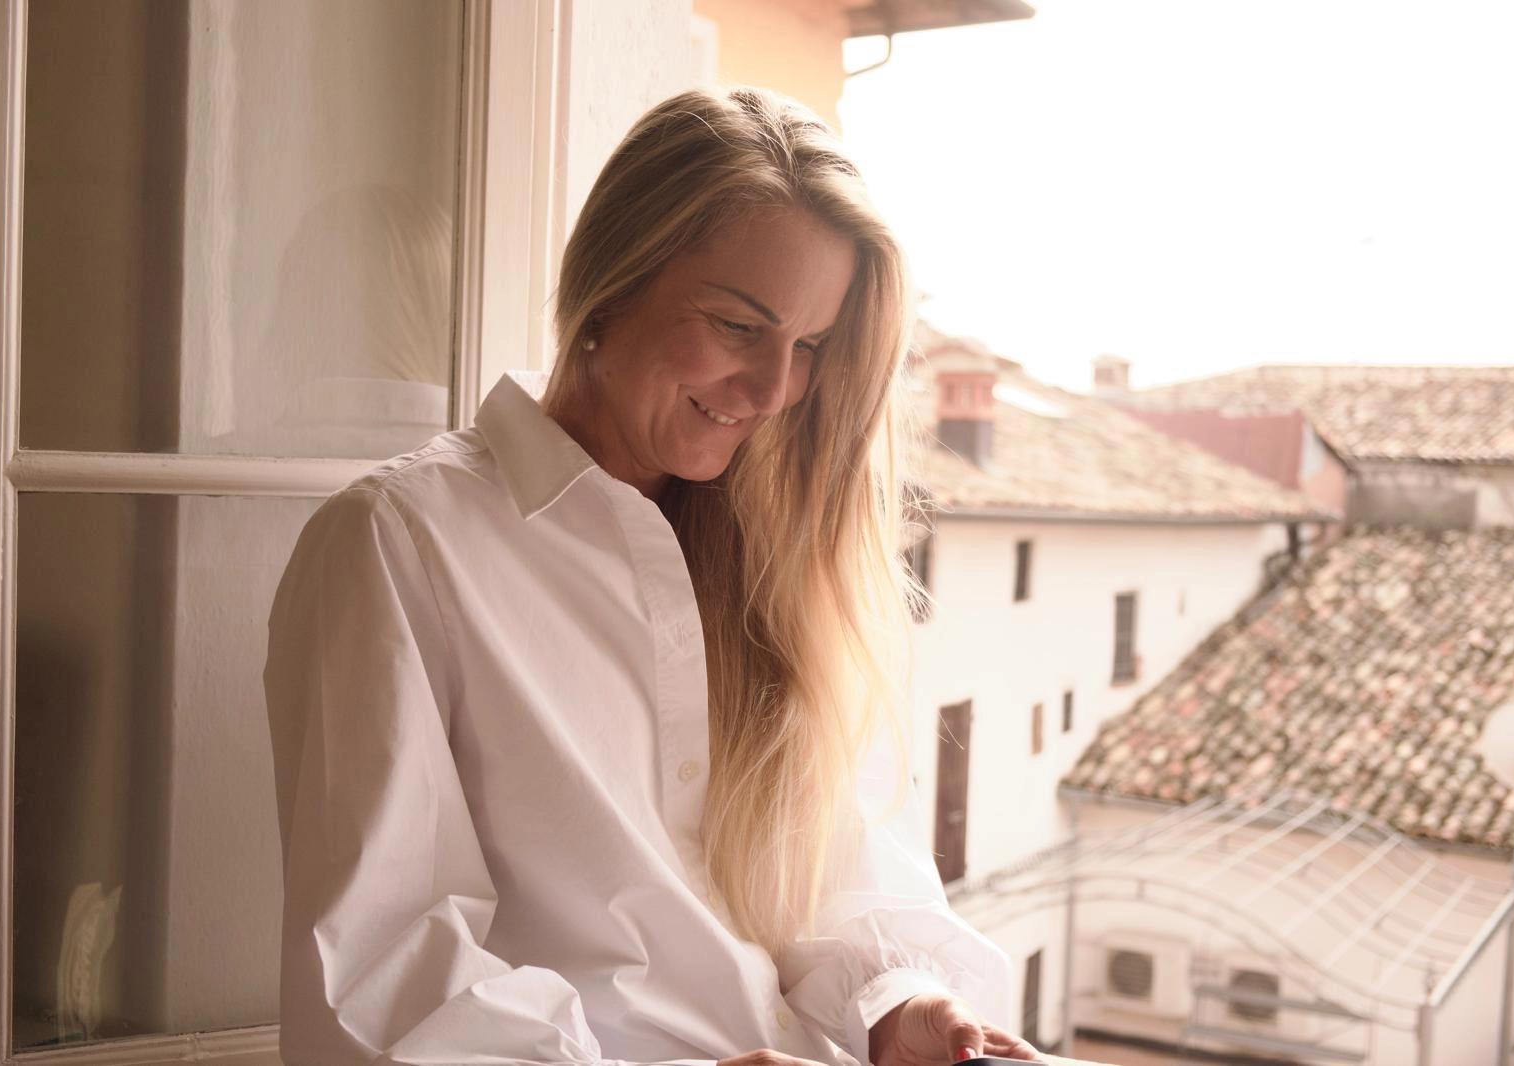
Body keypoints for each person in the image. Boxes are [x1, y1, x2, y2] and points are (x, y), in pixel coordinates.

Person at [264, 87, 1038, 1066]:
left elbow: (830, 872)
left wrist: (902, 1001)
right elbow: (380, 982)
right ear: (611, 281)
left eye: (807, 348)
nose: (771, 392)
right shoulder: (398, 544)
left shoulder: (769, 561)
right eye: (737, 326)